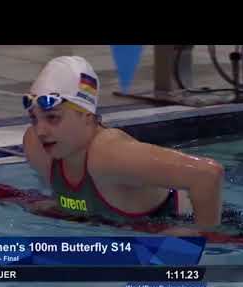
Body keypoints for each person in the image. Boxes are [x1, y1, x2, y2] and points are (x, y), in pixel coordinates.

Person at [22, 56, 224, 234]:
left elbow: (208, 174)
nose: (41, 131)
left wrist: (200, 235)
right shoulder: (37, 147)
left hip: (192, 221)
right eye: (34, 118)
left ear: (86, 115)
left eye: (52, 117)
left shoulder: (108, 154)